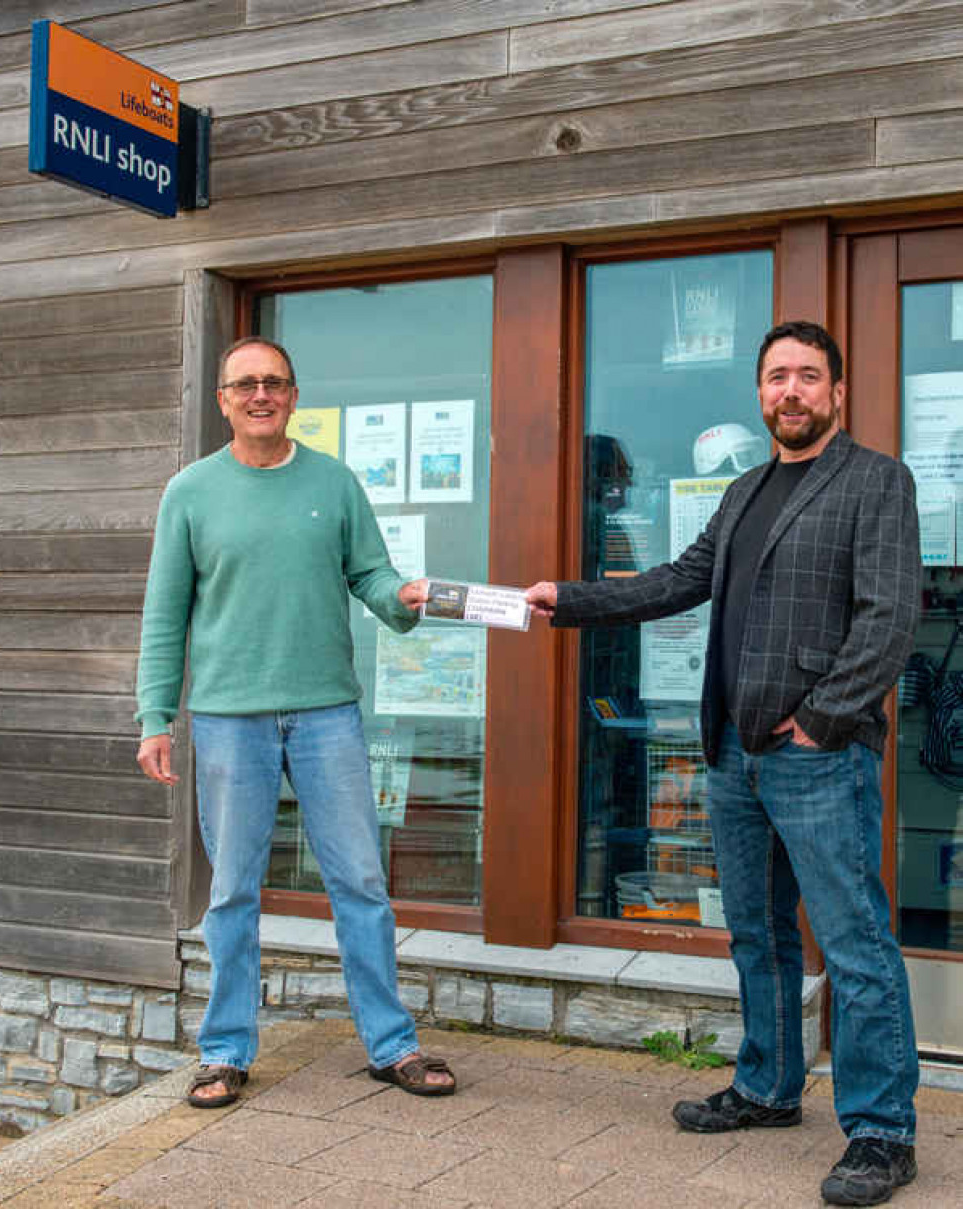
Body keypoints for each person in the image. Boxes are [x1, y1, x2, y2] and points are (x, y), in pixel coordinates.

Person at [526, 321, 921, 1207]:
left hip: (815, 757)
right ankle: (769, 1087)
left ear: (836, 393)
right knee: (759, 933)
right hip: (733, 755)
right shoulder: (746, 489)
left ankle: (883, 1131)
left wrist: (820, 720)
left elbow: (889, 617)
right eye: (776, 376)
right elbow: (674, 580)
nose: (791, 391)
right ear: (758, 392)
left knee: (854, 942)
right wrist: (568, 600)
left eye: (808, 377)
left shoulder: (874, 481)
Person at [135, 336, 454, 1107]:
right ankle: (223, 1050)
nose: (259, 394)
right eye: (244, 384)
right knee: (233, 891)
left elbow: (370, 573)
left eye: (273, 382)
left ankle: (390, 1043)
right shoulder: (190, 491)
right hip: (227, 720)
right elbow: (164, 613)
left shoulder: (334, 482)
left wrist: (400, 601)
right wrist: (154, 716)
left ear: (292, 394)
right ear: (222, 399)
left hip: (325, 714)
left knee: (360, 882)